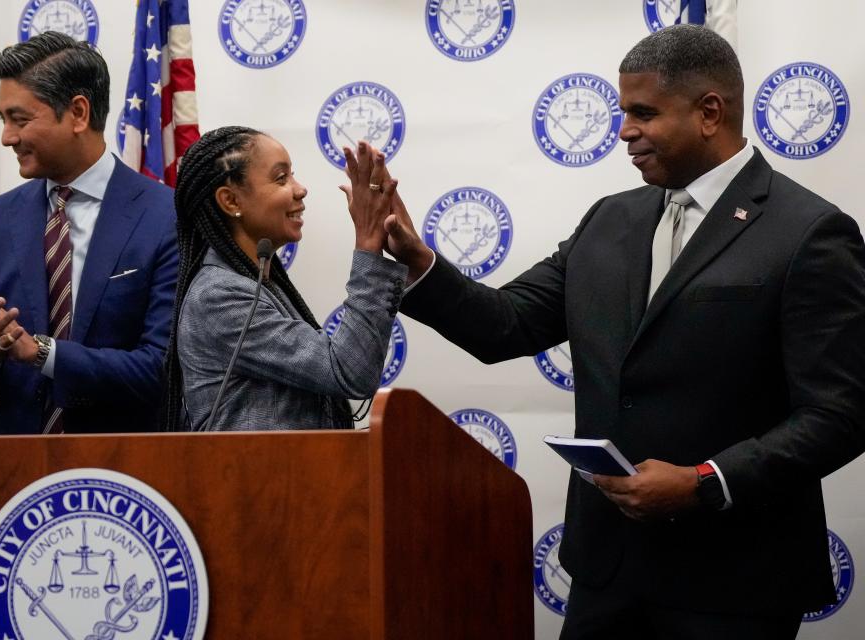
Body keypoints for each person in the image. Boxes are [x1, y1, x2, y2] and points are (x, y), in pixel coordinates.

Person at [384, 25, 865, 639]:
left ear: (709, 112)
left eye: (643, 113)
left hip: (734, 583)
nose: (623, 131)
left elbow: (841, 413)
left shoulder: (810, 232)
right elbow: (504, 325)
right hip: (606, 576)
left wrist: (705, 483)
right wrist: (417, 262)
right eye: (622, 112)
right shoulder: (609, 220)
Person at [0, 32, 178, 435]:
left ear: (78, 113)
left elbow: (164, 370)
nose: (7, 137)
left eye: (20, 119)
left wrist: (42, 353)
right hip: (15, 483)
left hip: (126, 480)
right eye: (3, 120)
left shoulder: (166, 216)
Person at [162, 127, 407, 431]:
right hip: (259, 478)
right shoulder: (219, 296)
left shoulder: (258, 285)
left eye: (293, 175)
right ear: (231, 201)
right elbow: (349, 369)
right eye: (281, 179)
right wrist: (369, 244)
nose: (300, 189)